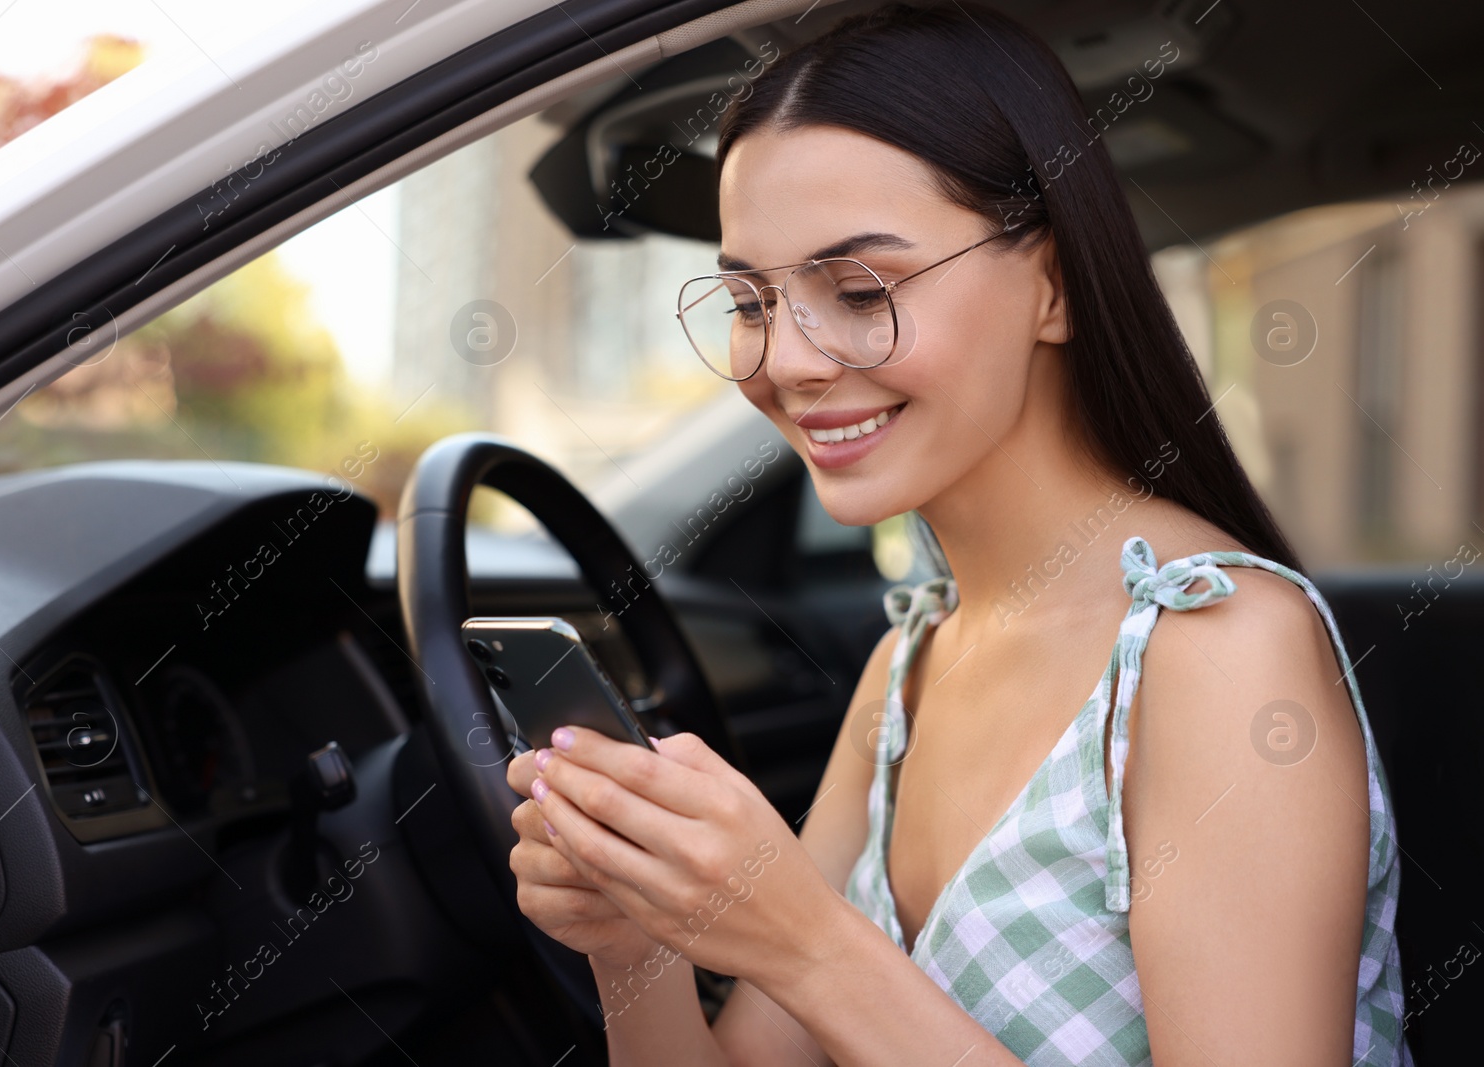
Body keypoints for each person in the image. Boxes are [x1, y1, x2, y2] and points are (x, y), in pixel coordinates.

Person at [506, 3, 1409, 1063]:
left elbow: (816, 966)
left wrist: (808, 944)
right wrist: (634, 936)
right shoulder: (909, 664)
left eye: (856, 289)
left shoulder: (1214, 650)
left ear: (1054, 285)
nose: (787, 362)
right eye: (749, 300)